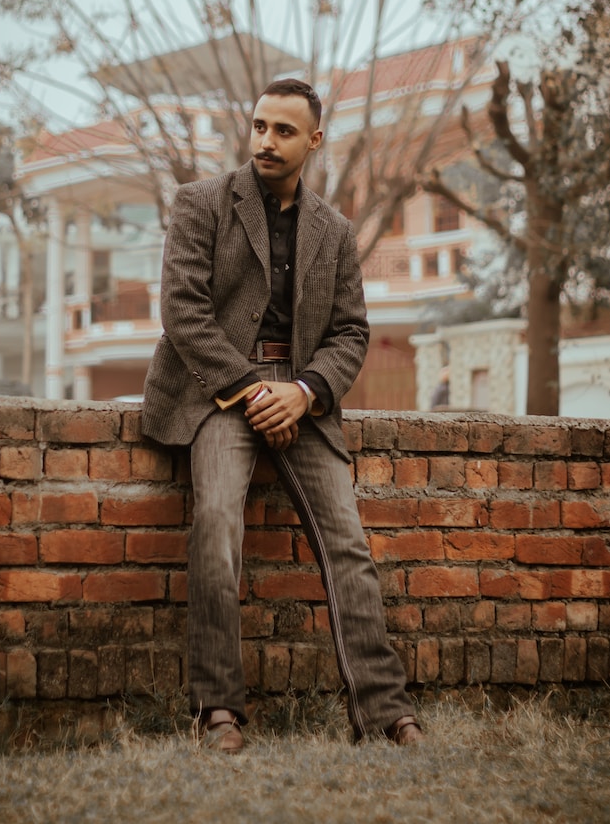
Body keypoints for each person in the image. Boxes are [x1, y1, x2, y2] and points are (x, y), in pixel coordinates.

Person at [141, 78, 423, 753]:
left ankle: (385, 713)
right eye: (260, 126)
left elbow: (351, 331)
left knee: (348, 544)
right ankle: (218, 710)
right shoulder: (201, 202)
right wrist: (252, 390)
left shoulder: (336, 230)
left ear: (314, 140)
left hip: (302, 397)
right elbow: (183, 312)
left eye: (284, 131)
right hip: (219, 390)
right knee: (215, 524)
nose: (266, 141)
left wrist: (305, 391)